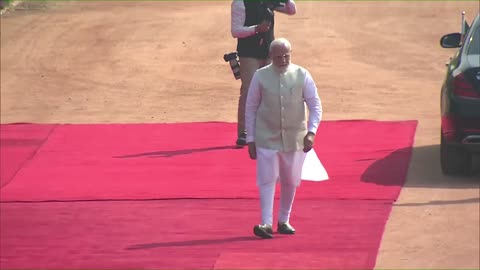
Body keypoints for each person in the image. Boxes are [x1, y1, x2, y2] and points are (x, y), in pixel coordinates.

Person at [245, 38, 322, 239]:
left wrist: (311, 132)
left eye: (287, 55)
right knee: (266, 179)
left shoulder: (301, 74)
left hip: (295, 137)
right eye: (279, 56)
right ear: (271, 56)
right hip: (265, 138)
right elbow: (251, 106)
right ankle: (266, 223)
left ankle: (284, 220)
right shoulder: (260, 76)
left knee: (291, 180)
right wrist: (250, 139)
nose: (283, 59)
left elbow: (315, 105)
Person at [231, 0, 297, 146]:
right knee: (249, 90)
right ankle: (244, 132)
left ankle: (269, 129)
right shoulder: (240, 3)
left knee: (271, 89)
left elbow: (291, 10)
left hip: (268, 52)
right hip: (248, 52)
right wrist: (256, 29)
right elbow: (235, 31)